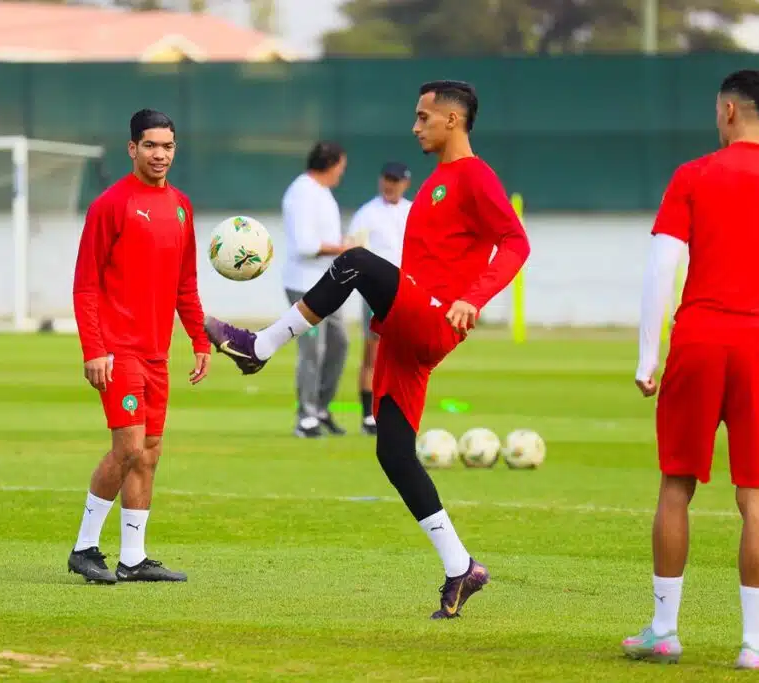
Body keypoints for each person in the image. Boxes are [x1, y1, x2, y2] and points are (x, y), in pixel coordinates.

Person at [204, 80, 530, 618]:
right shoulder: (436, 181)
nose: (415, 126)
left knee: (355, 262)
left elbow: (516, 242)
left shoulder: (474, 175)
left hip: (434, 318)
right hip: (407, 328)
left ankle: (260, 345)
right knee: (393, 453)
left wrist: (472, 298)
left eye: (423, 116)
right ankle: (461, 567)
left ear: (452, 120)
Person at [624, 70, 759, 669]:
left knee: (676, 485)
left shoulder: (693, 175)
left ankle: (663, 632)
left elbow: (660, 269)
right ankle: (755, 644)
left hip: (698, 338)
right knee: (757, 498)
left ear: (727, 111)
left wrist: (647, 357)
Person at [68, 109, 210, 584]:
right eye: (150, 145)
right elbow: (86, 285)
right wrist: (94, 349)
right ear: (132, 148)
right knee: (127, 447)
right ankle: (84, 547)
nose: (159, 154)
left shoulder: (182, 207)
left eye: (167, 146)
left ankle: (133, 558)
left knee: (148, 452)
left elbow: (185, 283)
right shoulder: (111, 205)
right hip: (118, 352)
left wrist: (199, 338)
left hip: (156, 353)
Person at [281, 140, 351, 438]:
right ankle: (306, 418)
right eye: (341, 167)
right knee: (312, 350)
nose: (341, 173)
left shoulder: (322, 192)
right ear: (331, 164)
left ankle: (321, 407)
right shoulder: (302, 193)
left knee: (339, 343)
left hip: (328, 283)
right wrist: (343, 249)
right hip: (304, 286)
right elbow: (305, 245)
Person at [347, 161, 413, 435]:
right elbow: (353, 250)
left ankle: (399, 410)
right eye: (387, 179)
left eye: (395, 180)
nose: (390, 185)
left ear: (405, 183)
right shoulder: (367, 214)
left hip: (408, 289)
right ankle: (368, 415)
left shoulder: (412, 211)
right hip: (377, 290)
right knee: (373, 351)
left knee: (405, 354)